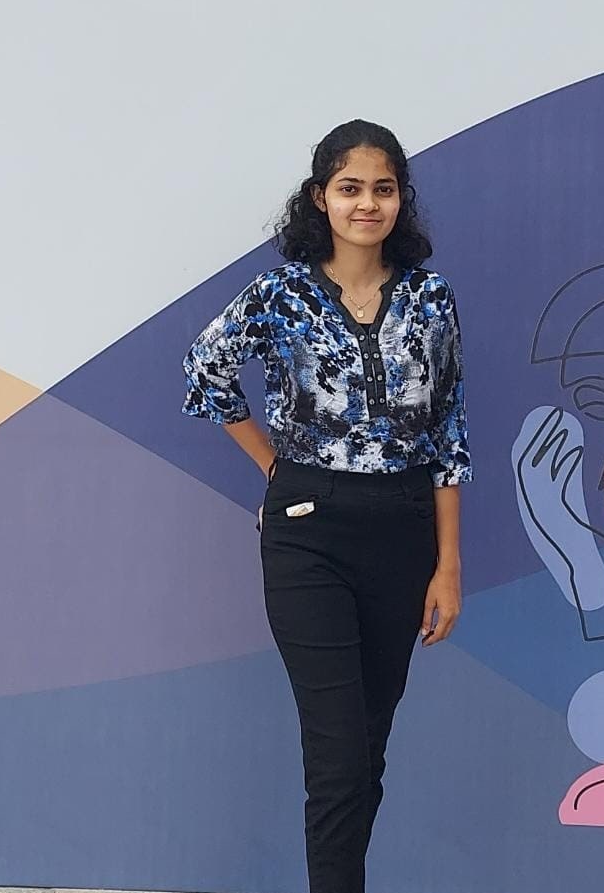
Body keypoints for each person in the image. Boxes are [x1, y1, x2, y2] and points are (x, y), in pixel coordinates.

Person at [180, 118, 474, 892]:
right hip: (307, 530)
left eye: (382, 188)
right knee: (339, 757)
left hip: (405, 529)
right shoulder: (280, 295)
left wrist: (447, 565)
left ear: (400, 200)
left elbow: (448, 431)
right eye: (349, 188)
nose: (366, 203)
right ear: (320, 197)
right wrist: (274, 466)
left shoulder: (430, 298)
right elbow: (205, 368)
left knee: (367, 752)